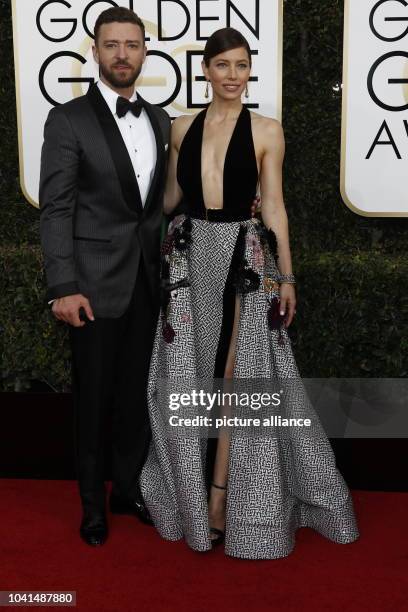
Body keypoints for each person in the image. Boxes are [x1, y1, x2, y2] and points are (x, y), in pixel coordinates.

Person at [139, 27, 359, 559]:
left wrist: (287, 276)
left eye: (241, 66)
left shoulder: (267, 130)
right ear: (206, 71)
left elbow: (276, 206)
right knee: (194, 376)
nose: (233, 76)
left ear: (248, 71)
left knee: (237, 378)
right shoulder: (182, 127)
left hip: (243, 257)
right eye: (223, 66)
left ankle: (220, 504)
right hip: (192, 259)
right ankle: (194, 497)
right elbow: (170, 196)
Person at [39, 7, 171, 546]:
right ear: (95, 51)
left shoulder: (160, 120)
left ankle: (127, 488)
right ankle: (93, 504)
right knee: (92, 399)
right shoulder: (68, 120)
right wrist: (62, 287)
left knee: (137, 395)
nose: (122, 54)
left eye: (132, 45)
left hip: (147, 281)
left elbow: (157, 207)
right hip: (90, 287)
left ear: (144, 52)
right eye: (112, 44)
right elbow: (55, 210)